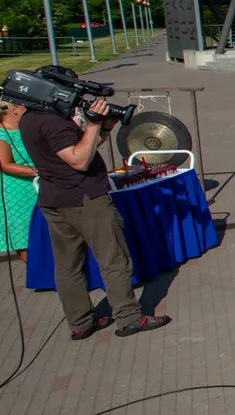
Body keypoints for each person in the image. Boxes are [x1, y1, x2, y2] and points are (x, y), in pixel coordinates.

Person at [19, 66, 171, 338]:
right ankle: (128, 317)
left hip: (54, 200)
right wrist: (91, 124)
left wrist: (105, 126)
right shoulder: (53, 122)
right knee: (113, 259)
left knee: (67, 266)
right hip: (84, 199)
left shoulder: (30, 118)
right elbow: (79, 160)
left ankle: (81, 323)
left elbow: (85, 147)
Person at [0, 102, 38, 260]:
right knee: (25, 237)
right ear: (12, 109)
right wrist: (41, 171)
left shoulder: (28, 128)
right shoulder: (2, 135)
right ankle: (40, 276)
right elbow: (5, 164)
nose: (27, 107)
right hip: (16, 193)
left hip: (39, 186)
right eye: (23, 105)